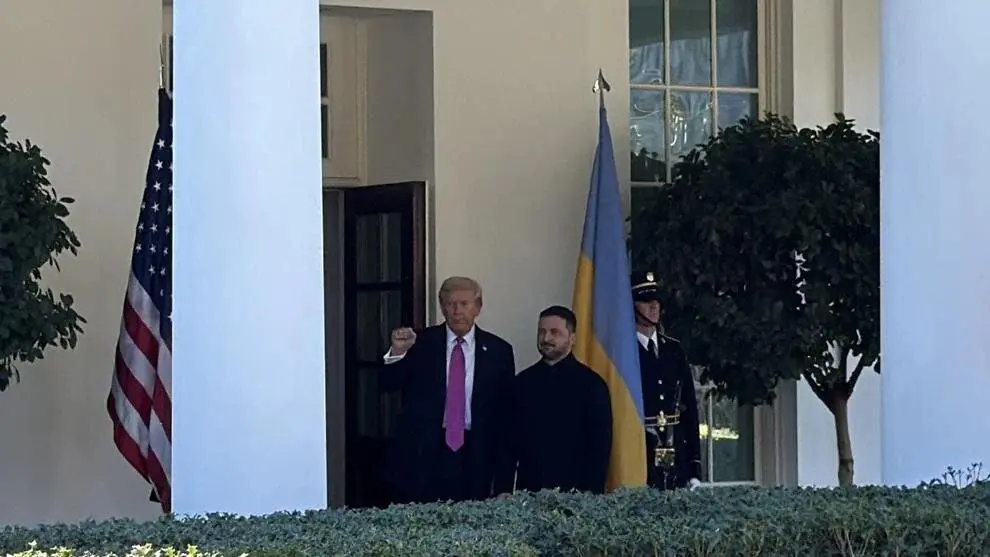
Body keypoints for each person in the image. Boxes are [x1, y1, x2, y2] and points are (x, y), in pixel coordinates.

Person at [380, 276, 517, 504]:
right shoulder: (420, 342)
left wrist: (503, 481)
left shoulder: (499, 351)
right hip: (426, 453)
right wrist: (397, 352)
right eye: (450, 304)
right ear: (442, 307)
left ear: (478, 307)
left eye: (464, 304)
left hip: (476, 452)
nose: (457, 310)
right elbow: (388, 384)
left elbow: (506, 416)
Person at [511, 305, 612, 494]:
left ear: (572, 339)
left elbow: (600, 448)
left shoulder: (592, 385)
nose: (546, 338)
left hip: (578, 496)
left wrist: (593, 495)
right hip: (529, 494)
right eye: (541, 332)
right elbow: (508, 443)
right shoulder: (522, 383)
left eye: (554, 332)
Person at [631, 271, 702, 491]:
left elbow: (689, 409)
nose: (654, 307)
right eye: (646, 301)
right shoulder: (624, 354)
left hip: (675, 452)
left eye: (657, 302)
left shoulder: (673, 349)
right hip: (639, 452)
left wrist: (694, 468)